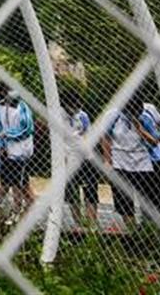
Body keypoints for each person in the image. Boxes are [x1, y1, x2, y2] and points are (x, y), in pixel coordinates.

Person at [101, 92, 157, 228]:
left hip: (141, 160)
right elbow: (105, 137)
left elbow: (155, 141)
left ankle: (147, 226)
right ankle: (131, 226)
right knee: (123, 195)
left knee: (146, 195)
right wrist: (108, 160)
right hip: (120, 159)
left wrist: (140, 130)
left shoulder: (145, 118)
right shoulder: (113, 116)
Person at [0, 86, 35, 218]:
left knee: (21, 186)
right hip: (7, 152)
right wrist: (0, 146)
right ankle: (0, 208)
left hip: (21, 153)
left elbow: (27, 129)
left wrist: (9, 135)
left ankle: (25, 212)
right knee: (6, 184)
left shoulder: (22, 107)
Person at [62, 91, 98, 226]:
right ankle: (78, 223)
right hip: (68, 158)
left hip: (85, 157)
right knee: (72, 191)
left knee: (90, 190)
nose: (77, 109)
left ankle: (92, 223)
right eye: (75, 106)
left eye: (79, 106)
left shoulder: (83, 116)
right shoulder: (59, 116)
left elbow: (89, 135)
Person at [140, 100, 160, 214]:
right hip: (143, 157)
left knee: (159, 190)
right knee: (147, 192)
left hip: (156, 155)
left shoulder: (148, 110)